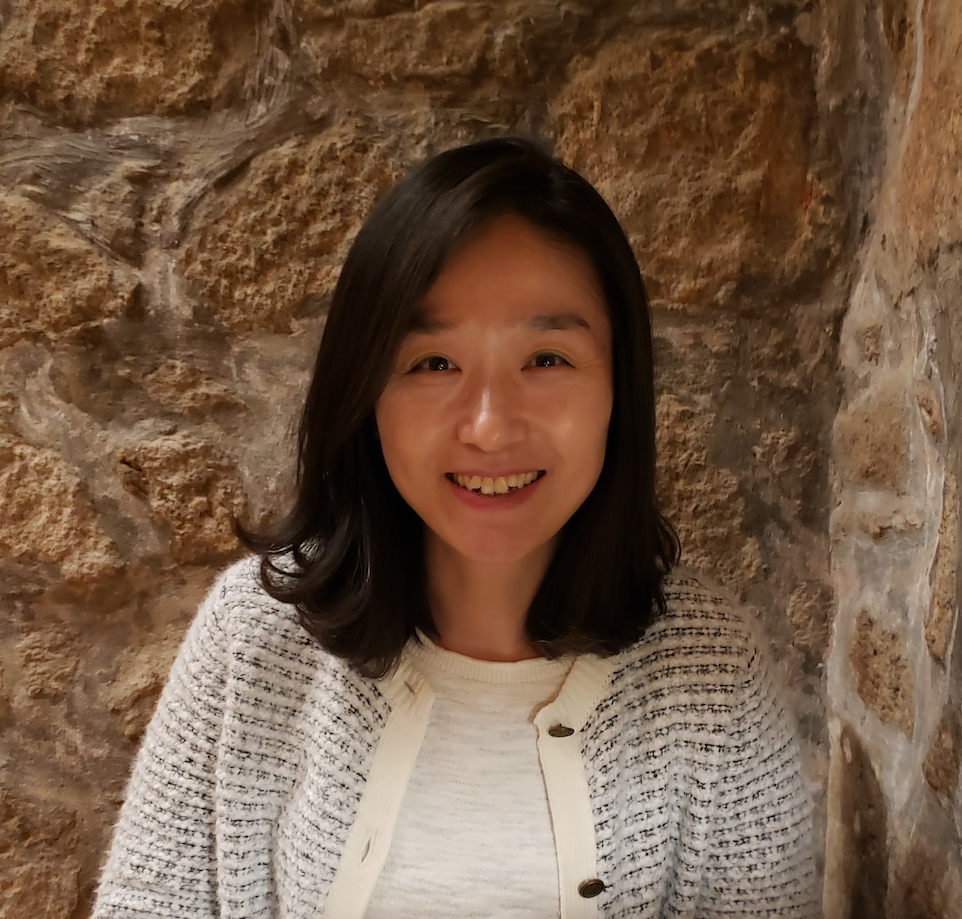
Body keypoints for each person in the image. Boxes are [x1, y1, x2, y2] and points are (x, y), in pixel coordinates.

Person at [91, 137, 819, 919]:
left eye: (547, 357)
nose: (489, 426)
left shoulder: (714, 677)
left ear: (619, 386)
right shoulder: (256, 636)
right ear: (367, 393)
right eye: (434, 363)